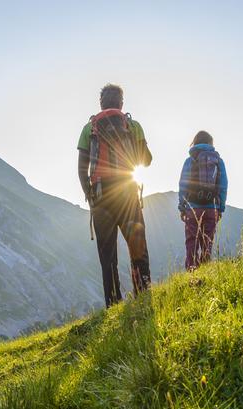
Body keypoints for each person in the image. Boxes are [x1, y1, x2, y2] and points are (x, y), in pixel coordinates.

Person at [77, 84, 153, 307]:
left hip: (101, 199)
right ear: (121, 103)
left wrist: (89, 196)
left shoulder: (88, 129)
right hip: (127, 193)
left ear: (101, 103)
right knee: (137, 247)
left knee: (108, 256)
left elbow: (82, 168)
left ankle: (113, 303)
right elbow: (146, 160)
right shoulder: (132, 125)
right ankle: (143, 294)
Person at [178, 131, 228, 271]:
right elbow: (223, 185)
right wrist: (220, 208)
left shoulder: (190, 160)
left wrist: (182, 207)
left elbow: (183, 184)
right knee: (207, 243)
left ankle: (192, 275)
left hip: (192, 208)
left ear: (195, 142)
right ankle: (205, 274)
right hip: (211, 208)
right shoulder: (218, 161)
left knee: (191, 243)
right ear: (210, 143)